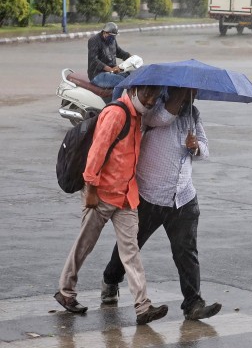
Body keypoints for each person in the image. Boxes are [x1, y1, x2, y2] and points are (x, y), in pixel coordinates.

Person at [101, 87, 222, 321]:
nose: (192, 97)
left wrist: (195, 145)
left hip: (183, 197)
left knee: (186, 252)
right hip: (150, 195)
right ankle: (110, 280)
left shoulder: (193, 114)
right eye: (188, 92)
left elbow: (205, 150)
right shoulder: (152, 110)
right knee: (131, 245)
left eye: (194, 93)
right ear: (175, 91)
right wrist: (175, 103)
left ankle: (193, 304)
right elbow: (159, 119)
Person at [54, 84, 169, 326]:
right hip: (102, 193)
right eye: (147, 94)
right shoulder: (116, 113)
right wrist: (92, 190)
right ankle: (65, 291)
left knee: (131, 251)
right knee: (85, 244)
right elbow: (97, 152)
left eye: (154, 96)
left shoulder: (139, 117)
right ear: (135, 90)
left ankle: (142, 306)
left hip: (126, 196)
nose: (150, 100)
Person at [87, 22, 131, 101]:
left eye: (114, 36)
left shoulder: (112, 40)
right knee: (120, 82)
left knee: (129, 76)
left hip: (111, 72)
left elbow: (119, 52)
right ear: (105, 32)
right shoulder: (94, 40)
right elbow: (94, 60)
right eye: (111, 36)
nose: (112, 38)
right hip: (97, 74)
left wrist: (130, 57)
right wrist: (109, 69)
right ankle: (114, 104)